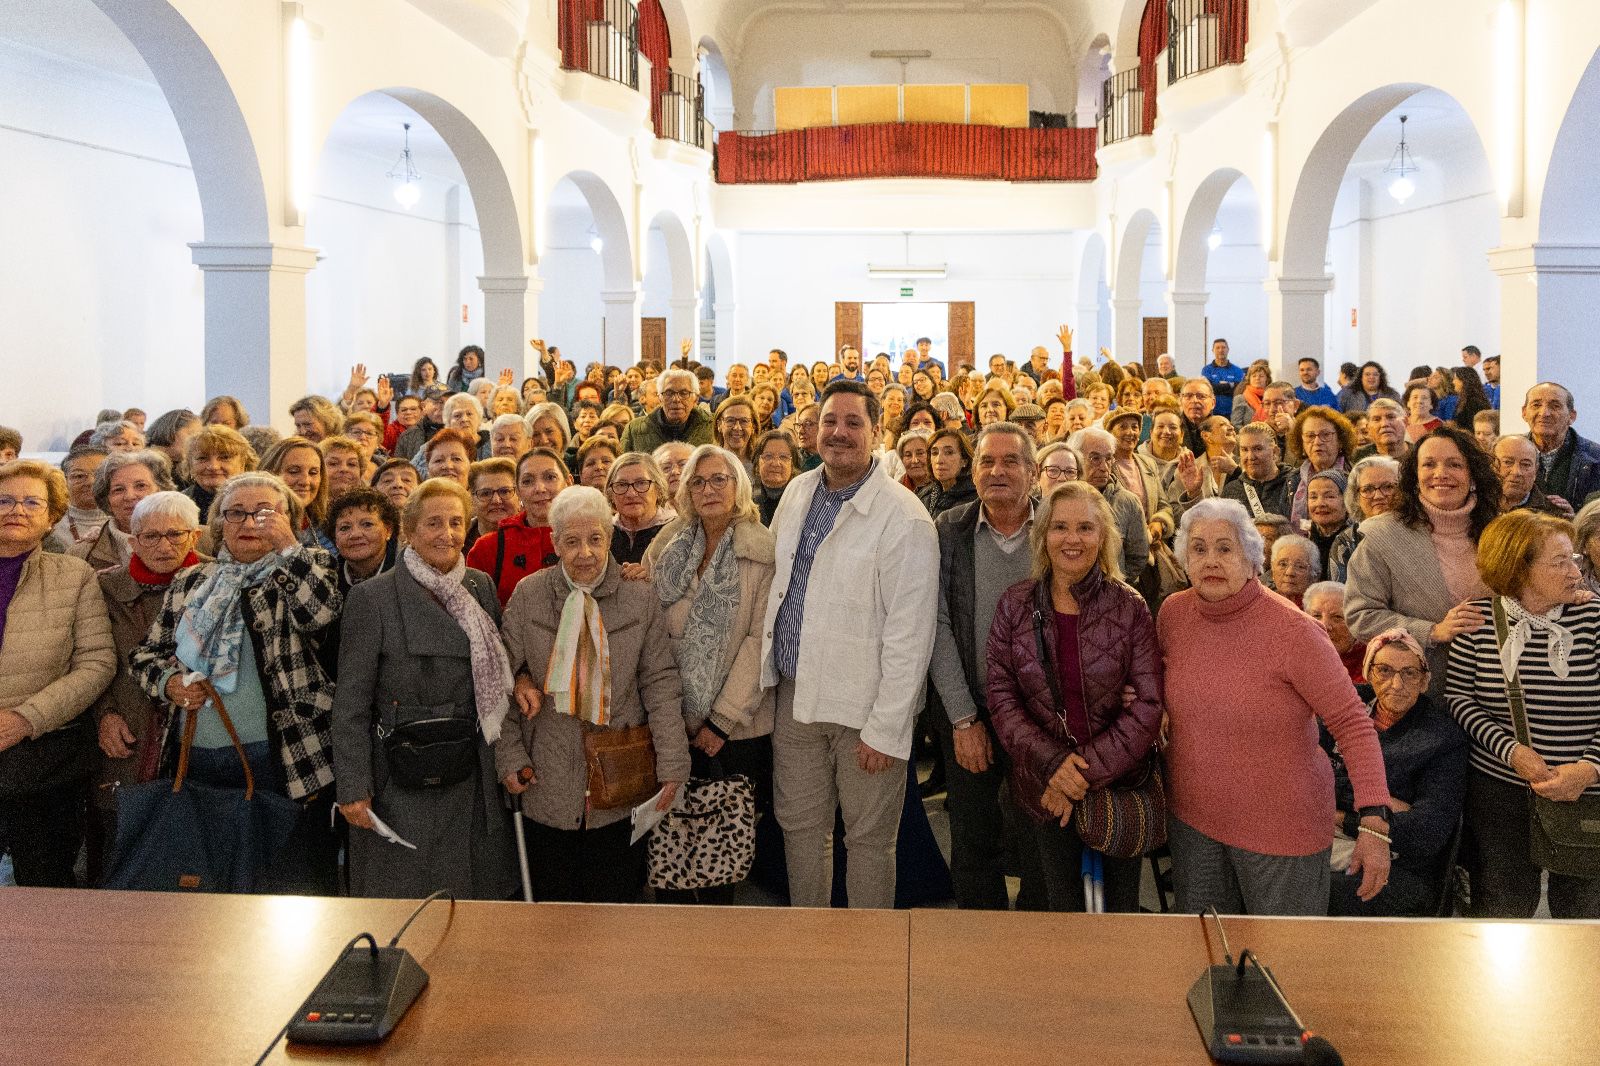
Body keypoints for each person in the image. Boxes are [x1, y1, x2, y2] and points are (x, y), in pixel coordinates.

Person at [1161, 498, 1392, 915]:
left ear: (1253, 559)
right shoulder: (1173, 616)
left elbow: (1353, 724)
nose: (1211, 560)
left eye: (1225, 548)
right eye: (1198, 548)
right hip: (1193, 824)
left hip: (1283, 829)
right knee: (1210, 956)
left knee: (1285, 961)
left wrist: (1374, 822)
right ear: (1183, 559)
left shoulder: (1295, 631)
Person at [761, 381, 938, 908]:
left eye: (853, 423)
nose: (838, 433)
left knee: (867, 841)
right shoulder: (797, 491)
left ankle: (869, 964)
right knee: (800, 830)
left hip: (864, 710)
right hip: (795, 700)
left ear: (877, 432)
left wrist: (887, 728)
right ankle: (811, 948)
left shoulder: (904, 518)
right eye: (829, 422)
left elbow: (911, 636)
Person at [130, 472, 343, 893]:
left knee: (290, 884)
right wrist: (169, 682)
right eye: (236, 513)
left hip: (287, 758)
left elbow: (318, 615)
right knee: (215, 882)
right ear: (218, 523)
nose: (249, 523)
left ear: (288, 519)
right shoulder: (192, 581)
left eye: (265, 513)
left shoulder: (310, 564)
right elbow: (144, 656)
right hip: (200, 758)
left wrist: (287, 548)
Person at [496, 486, 688, 902]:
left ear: (609, 535)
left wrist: (673, 762)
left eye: (595, 539)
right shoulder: (530, 595)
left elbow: (661, 683)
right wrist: (510, 756)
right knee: (553, 910)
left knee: (615, 907)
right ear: (555, 543)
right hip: (546, 776)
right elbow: (503, 679)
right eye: (572, 541)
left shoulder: (639, 597)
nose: (585, 553)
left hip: (620, 778)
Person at [331, 477, 517, 900]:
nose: (447, 534)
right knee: (403, 893)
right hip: (401, 771)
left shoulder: (479, 586)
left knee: (472, 894)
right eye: (434, 523)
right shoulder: (371, 598)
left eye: (455, 522)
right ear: (408, 531)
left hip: (471, 766)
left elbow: (501, 664)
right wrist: (353, 787)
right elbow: (351, 706)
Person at [985, 480, 1162, 912]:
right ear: (1043, 535)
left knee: (1120, 913)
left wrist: (1079, 777)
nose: (1072, 539)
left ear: (1104, 538)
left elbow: (1147, 705)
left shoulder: (1129, 606)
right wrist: (1052, 768)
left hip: (1116, 786)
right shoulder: (1015, 605)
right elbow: (1002, 699)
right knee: (1059, 913)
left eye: (1085, 528)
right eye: (1060, 527)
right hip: (1043, 789)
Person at [1447, 510, 1600, 918]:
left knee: (1584, 915)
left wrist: (1588, 769)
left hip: (1586, 793)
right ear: (1519, 567)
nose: (1575, 572)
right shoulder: (1477, 619)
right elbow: (1460, 698)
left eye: (1575, 559)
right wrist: (1512, 752)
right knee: (1502, 910)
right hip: (1501, 791)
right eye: (1560, 561)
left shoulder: (1594, 617)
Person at [641, 445, 776, 904]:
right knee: (670, 842)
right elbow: (650, 632)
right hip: (671, 721)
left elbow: (761, 641)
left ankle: (718, 952)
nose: (708, 489)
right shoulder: (667, 547)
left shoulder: (762, 549)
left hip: (737, 727)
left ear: (738, 486)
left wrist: (720, 719)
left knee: (720, 846)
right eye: (698, 481)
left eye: (720, 479)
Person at [926, 424, 1048, 910]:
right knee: (974, 841)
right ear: (972, 471)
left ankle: (1038, 950)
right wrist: (961, 718)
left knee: (1042, 838)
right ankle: (979, 951)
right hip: (970, 710)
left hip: (1042, 717)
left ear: (1034, 472)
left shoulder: (1058, 527)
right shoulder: (949, 529)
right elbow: (936, 626)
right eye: (986, 462)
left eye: (1011, 461)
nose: (997, 471)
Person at [0, 460, 117, 886]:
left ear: (53, 515)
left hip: (44, 756)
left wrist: (25, 718)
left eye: (32, 501)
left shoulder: (74, 574)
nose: (17, 509)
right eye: (5, 500)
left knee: (45, 886)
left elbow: (97, 662)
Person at [89, 491, 205, 881]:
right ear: (132, 540)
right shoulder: (105, 588)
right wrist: (103, 713)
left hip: (198, 729)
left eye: (175, 534)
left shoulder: (217, 581)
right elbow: (89, 658)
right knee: (121, 847)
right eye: (150, 536)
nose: (164, 545)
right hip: (129, 727)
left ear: (196, 536)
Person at [1346, 424, 1500, 696]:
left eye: (1454, 464)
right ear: (1415, 476)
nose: (1441, 474)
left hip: (1497, 689)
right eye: (1429, 464)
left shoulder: (1501, 531)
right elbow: (1361, 616)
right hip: (1423, 694)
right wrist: (1432, 630)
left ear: (1473, 475)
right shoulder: (1382, 535)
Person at [1323, 629, 1468, 916]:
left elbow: (1427, 832)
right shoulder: (1344, 711)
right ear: (1368, 672)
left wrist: (1340, 816)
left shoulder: (1442, 738)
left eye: (1410, 673)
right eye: (1385, 670)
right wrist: (1387, 804)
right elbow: (1305, 782)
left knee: (1313, 887)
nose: (1397, 684)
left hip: (1401, 864)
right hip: (1327, 838)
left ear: (1425, 680)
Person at [465, 448, 568, 607]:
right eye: (528, 481)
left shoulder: (591, 537)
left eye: (550, 477)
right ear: (518, 491)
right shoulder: (486, 549)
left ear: (568, 482)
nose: (540, 488)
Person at [70, 450, 176, 572]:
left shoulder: (196, 539)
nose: (129, 496)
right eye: (118, 489)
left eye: (141, 486)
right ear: (107, 500)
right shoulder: (81, 554)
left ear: (161, 491)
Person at [1068, 427, 1148, 584]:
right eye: (1095, 458)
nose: (1104, 467)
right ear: (1075, 458)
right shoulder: (1061, 499)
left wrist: (1115, 581)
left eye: (1109, 458)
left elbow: (1138, 556)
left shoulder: (1128, 502)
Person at [1522, 382, 1600, 511]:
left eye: (1555, 406)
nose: (1544, 413)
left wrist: (1576, 520)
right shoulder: (1508, 453)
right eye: (1536, 405)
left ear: (1572, 416)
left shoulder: (1595, 458)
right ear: (1524, 413)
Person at [621, 368, 715, 453]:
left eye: (683, 393)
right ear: (660, 397)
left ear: (696, 399)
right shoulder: (634, 430)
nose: (676, 399)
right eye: (669, 393)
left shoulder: (713, 426)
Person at [260, 436, 331, 547]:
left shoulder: (328, 524)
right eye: (294, 471)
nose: (305, 481)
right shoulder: (251, 526)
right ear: (270, 472)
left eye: (313, 472)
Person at [606, 453, 673, 566]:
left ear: (658, 489)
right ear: (611, 494)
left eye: (641, 483)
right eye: (622, 485)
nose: (631, 493)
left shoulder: (677, 531)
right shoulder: (603, 532)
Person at [1304, 581, 1368, 684]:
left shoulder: (1371, 665)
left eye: (1337, 617)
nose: (1324, 626)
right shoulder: (1295, 657)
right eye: (1316, 616)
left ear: (1355, 623)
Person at [54, 446, 110, 548]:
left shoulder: (127, 519)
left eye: (99, 475)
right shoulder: (51, 523)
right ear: (63, 481)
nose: (91, 482)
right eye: (79, 476)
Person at [1494, 435, 1564, 515]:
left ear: (1535, 470)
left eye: (1525, 464)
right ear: (1493, 465)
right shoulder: (1479, 504)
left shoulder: (1552, 513)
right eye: (1508, 462)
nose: (1516, 472)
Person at [918, 428, 977, 519]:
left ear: (964, 461)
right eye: (934, 453)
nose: (939, 460)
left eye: (949, 452)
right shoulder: (924, 494)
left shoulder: (975, 500)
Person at [466, 457, 519, 549]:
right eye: (486, 493)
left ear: (519, 494)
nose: (496, 500)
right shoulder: (459, 543)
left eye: (505, 491)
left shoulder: (537, 537)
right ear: (472, 499)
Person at [751, 430, 799, 526]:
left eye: (783, 457)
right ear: (757, 462)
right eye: (768, 456)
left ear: (792, 465)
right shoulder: (746, 499)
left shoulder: (803, 498)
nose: (776, 463)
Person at [1269, 534, 1318, 607]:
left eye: (1300, 566)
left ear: (1314, 576)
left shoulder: (1317, 609)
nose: (1289, 572)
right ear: (1273, 569)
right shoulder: (1261, 603)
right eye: (1283, 564)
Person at [1354, 398, 1409, 462]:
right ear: (1368, 428)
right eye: (1377, 419)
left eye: (1391, 417)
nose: (1384, 424)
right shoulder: (1356, 458)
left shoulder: (1419, 453)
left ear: (1405, 422)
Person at [1200, 339, 1243, 419]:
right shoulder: (1206, 370)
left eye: (1223, 347)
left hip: (1232, 413)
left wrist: (1217, 387)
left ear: (1228, 349)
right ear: (1213, 350)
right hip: (1212, 412)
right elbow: (1208, 389)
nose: (1221, 350)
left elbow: (1238, 390)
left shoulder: (1237, 370)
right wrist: (1230, 385)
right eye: (1218, 348)